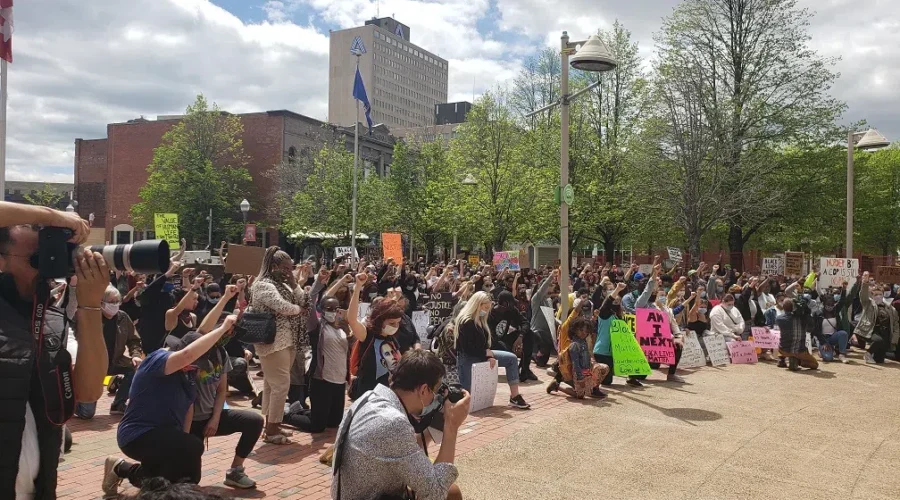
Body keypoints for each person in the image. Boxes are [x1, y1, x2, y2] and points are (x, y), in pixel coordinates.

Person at [0, 202, 110, 500]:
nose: (48, 237)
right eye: (36, 229)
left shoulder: (50, 316)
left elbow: (88, 391)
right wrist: (53, 216)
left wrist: (89, 305)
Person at [102, 316, 237, 497]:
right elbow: (187, 355)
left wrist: (183, 438)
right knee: (191, 449)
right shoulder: (157, 360)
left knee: (172, 474)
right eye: (193, 364)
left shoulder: (189, 376)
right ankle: (183, 491)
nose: (193, 368)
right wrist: (222, 329)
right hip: (137, 435)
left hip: (165, 436)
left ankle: (121, 468)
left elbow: (188, 409)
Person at [332, 350, 470, 500]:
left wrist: (433, 428)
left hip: (352, 493)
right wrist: (451, 426)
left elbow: (403, 451)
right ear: (424, 390)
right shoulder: (392, 423)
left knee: (451, 491)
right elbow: (435, 492)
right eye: (436, 391)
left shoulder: (369, 398)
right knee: (451, 494)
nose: (436, 398)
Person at [185, 314, 263, 490]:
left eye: (232, 331)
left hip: (211, 416)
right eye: (226, 329)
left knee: (254, 421)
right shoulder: (191, 352)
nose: (229, 334)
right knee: (190, 480)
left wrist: (215, 418)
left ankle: (236, 471)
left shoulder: (221, 353)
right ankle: (129, 471)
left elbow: (222, 391)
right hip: (188, 422)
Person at [249, 246, 310, 444]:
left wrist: (295, 283)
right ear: (274, 266)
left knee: (271, 385)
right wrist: (298, 309)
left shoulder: (285, 284)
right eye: (285, 268)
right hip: (273, 343)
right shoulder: (263, 285)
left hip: (288, 341)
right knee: (281, 385)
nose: (288, 272)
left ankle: (272, 425)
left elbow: (303, 300)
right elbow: (282, 307)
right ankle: (272, 429)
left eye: (290, 268)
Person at [75, 285, 144, 418]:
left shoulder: (123, 317)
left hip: (114, 361)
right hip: (93, 367)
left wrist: (135, 355)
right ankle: (73, 404)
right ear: (101, 302)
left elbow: (134, 339)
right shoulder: (91, 318)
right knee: (87, 413)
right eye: (112, 302)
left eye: (117, 301)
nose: (115, 305)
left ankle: (119, 403)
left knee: (135, 368)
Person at [454, 291, 530, 409]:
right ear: (477, 305)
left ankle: (515, 396)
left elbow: (485, 343)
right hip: (468, 357)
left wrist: (488, 355)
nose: (487, 310)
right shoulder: (466, 321)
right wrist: (486, 353)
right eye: (485, 307)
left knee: (511, 359)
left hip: (483, 353)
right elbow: (467, 348)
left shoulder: (481, 320)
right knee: (468, 398)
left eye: (488, 308)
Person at [348, 273, 406, 400]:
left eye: (397, 323)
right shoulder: (367, 336)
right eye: (392, 323)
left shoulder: (391, 338)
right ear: (380, 320)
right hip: (369, 394)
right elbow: (352, 320)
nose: (395, 326)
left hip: (389, 393)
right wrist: (357, 287)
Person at [852, 272, 899, 364]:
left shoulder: (890, 309)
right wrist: (865, 283)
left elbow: (895, 324)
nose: (878, 296)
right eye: (875, 295)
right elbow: (863, 295)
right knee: (878, 340)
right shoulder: (869, 304)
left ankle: (874, 355)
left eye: (880, 294)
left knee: (879, 360)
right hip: (871, 332)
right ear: (872, 296)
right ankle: (868, 353)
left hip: (885, 335)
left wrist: (894, 339)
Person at [775, 299, 818, 371]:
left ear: (783, 307)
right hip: (800, 351)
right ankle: (799, 361)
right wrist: (806, 312)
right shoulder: (804, 318)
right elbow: (811, 328)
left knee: (782, 341)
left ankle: (781, 359)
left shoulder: (779, 318)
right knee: (815, 365)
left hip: (784, 350)